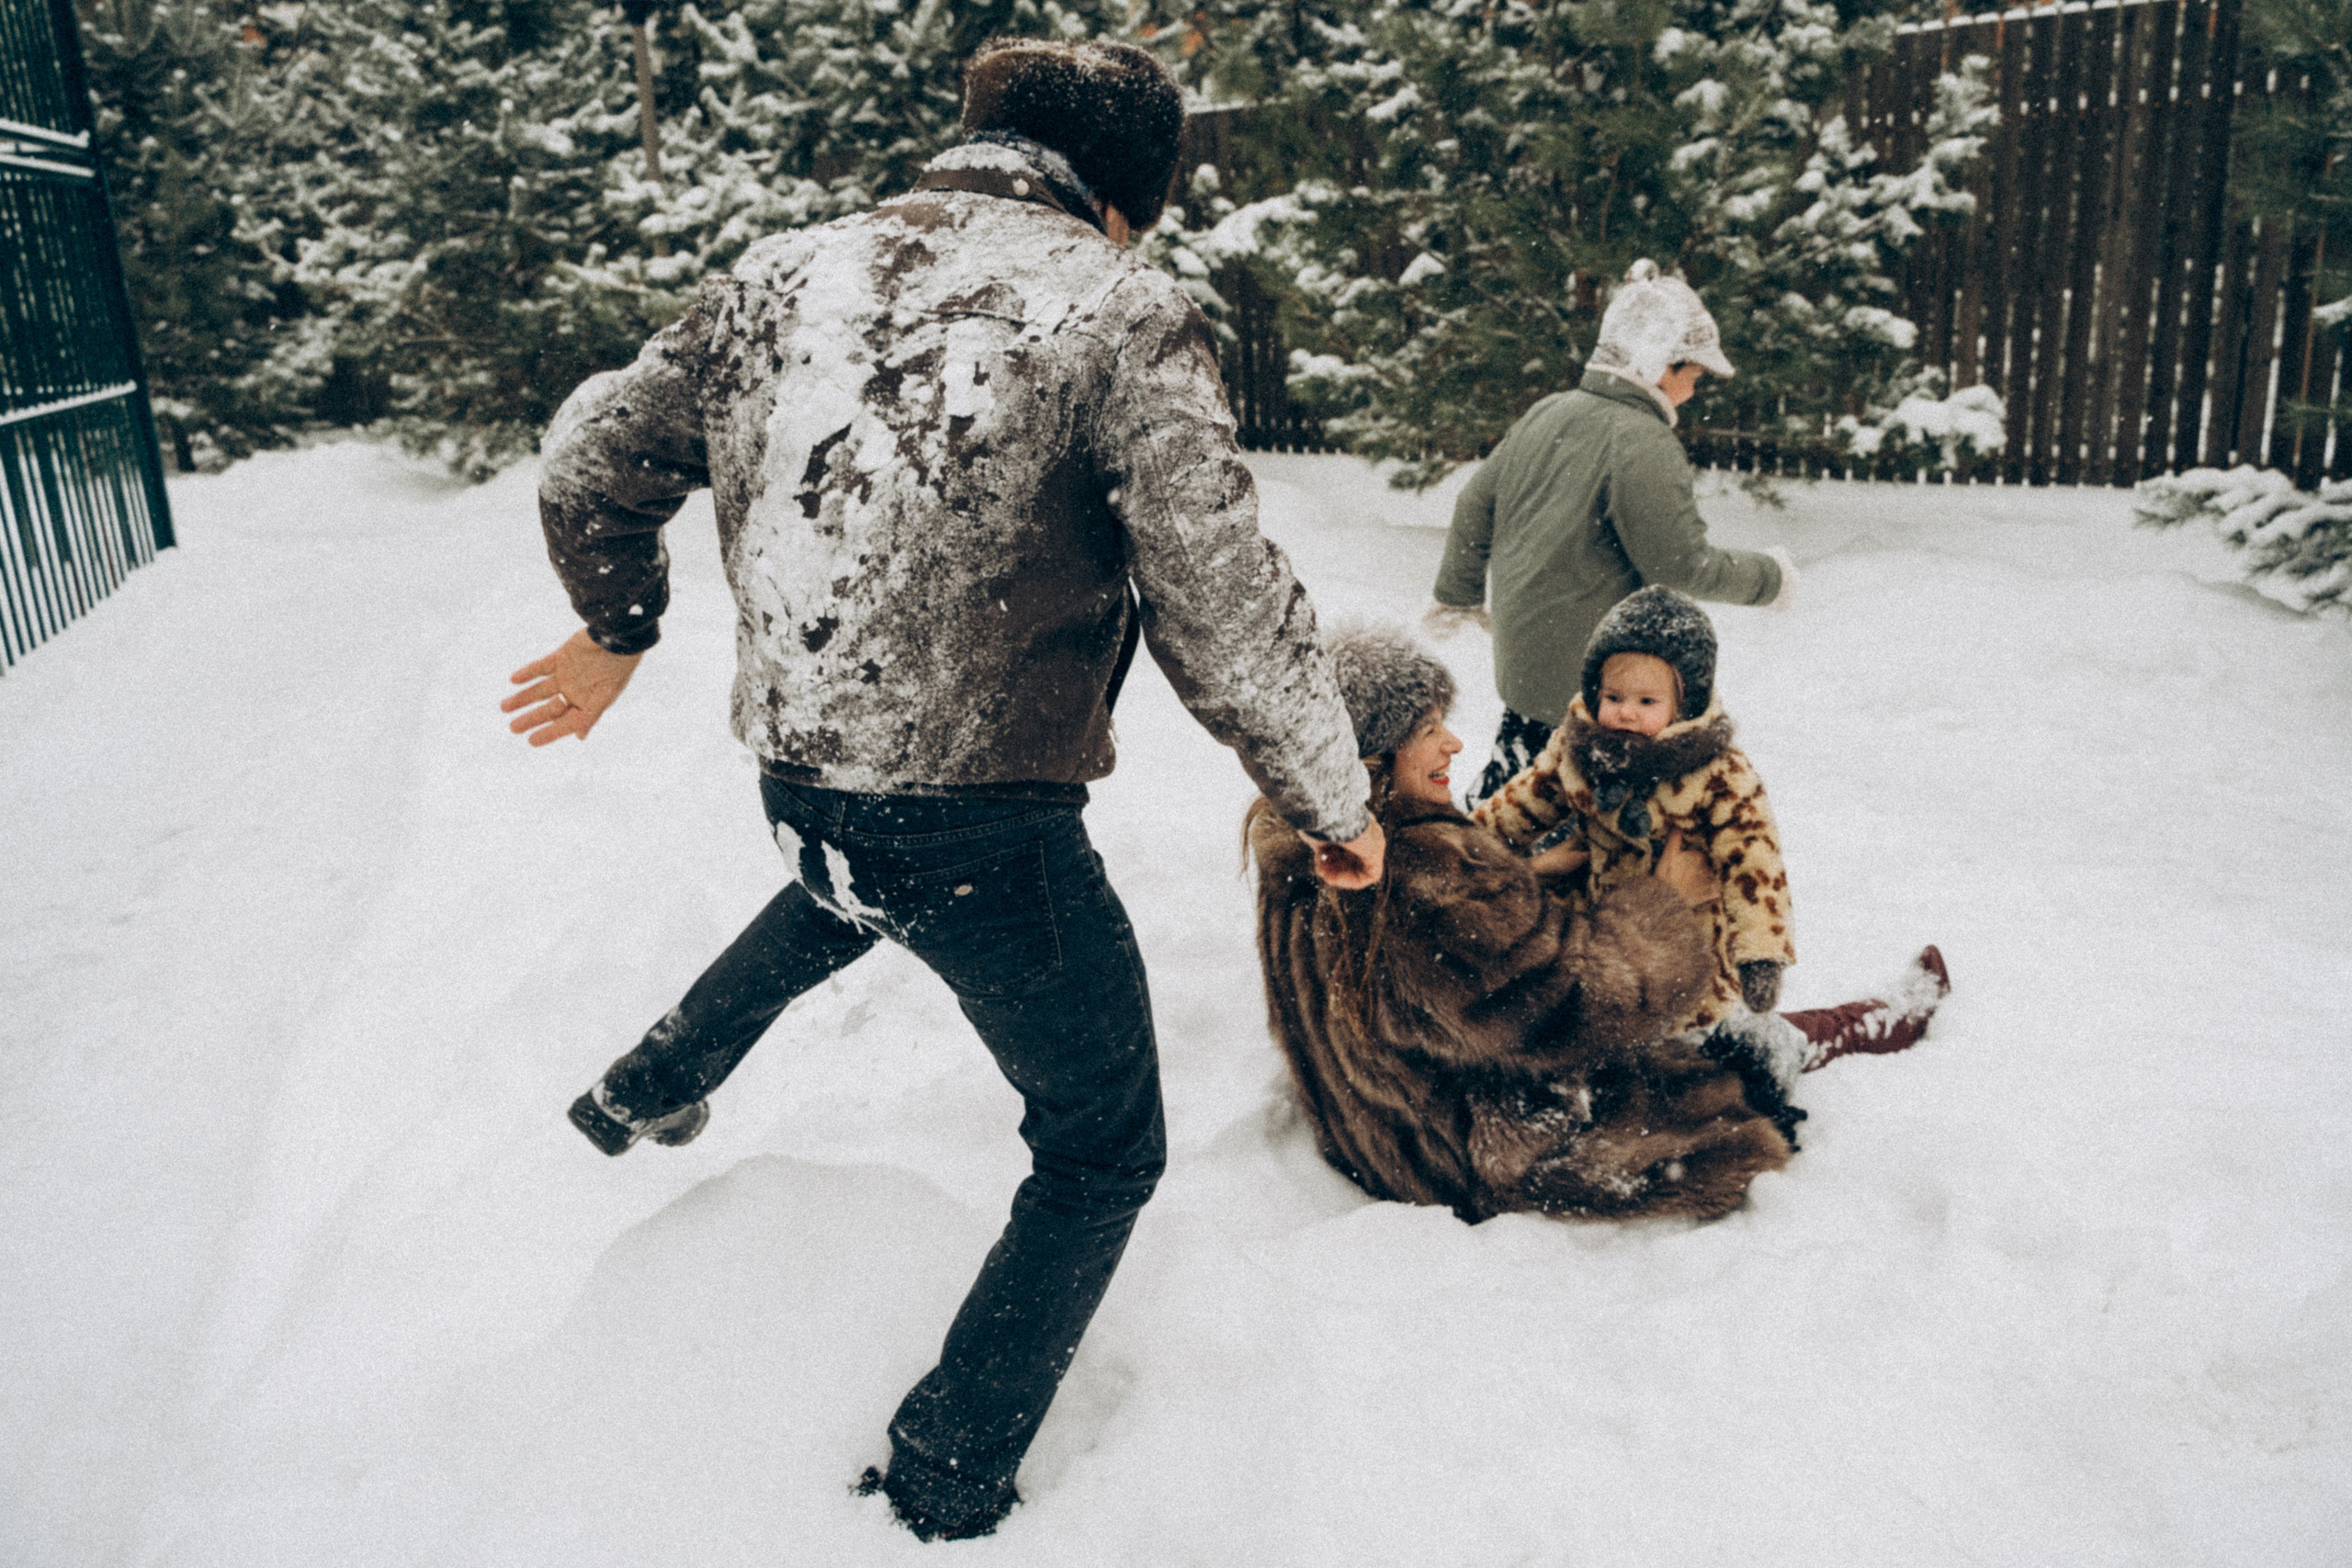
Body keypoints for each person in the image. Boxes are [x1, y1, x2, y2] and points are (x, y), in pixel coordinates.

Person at [499, 38, 1383, 1543]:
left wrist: (616, 628)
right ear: (1122, 194)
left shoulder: (775, 278)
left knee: (854, 882)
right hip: (979, 810)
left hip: (800, 783)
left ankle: (650, 1077)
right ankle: (948, 1469)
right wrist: (1332, 798)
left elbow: (590, 466)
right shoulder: (1114, 305)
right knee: (1104, 1144)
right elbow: (1220, 596)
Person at [1248, 625, 1802, 1223]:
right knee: (1735, 1074)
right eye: (1429, 730)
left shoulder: (1312, 841)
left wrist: (1522, 874)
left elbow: (1434, 974)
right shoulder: (1429, 883)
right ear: (1370, 756)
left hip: (1378, 1122)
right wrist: (1663, 902)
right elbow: (1579, 1006)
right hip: (1474, 1152)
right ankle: (1850, 1027)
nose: (1453, 743)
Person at [1476, 586, 1948, 1106]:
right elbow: (1519, 806)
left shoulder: (1719, 774)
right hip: (1604, 951)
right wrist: (1463, 845)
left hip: (1692, 958)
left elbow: (1755, 867)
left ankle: (1883, 1019)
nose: (1625, 713)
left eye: (1647, 701)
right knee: (1631, 1055)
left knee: (1726, 1053)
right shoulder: (1577, 750)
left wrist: (1762, 958)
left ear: (1686, 704)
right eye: (1613, 697)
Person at [1425, 259, 1797, 805]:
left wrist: (1457, 596)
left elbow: (1475, 502)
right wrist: (1772, 579)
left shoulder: (1549, 412)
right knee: (1586, 820)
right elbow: (1680, 566)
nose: (1691, 393)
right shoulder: (1641, 440)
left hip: (1525, 663)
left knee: (1516, 788)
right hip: (1592, 687)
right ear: (1658, 363)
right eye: (1691, 376)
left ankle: (1488, 850)